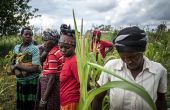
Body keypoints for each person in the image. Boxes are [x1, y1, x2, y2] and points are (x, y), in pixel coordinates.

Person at [92, 26, 167, 110]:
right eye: (123, 57)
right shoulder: (111, 67)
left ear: (142, 51)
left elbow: (160, 101)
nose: (128, 61)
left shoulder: (158, 71)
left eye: (133, 57)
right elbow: (98, 99)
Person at [10, 27, 40, 110]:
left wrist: (17, 66)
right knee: (21, 102)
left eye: (30, 35)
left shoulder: (34, 49)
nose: (28, 36)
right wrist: (16, 70)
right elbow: (12, 61)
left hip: (31, 81)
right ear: (21, 35)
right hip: (20, 80)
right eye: (26, 34)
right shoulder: (16, 47)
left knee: (30, 103)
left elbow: (35, 68)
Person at [34, 30, 63, 110]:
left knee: (50, 106)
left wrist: (43, 100)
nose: (44, 43)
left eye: (46, 40)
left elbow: (52, 79)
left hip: (51, 89)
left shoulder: (52, 54)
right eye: (44, 40)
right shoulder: (58, 50)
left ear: (53, 41)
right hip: (55, 86)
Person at [59, 29, 80, 110]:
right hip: (65, 101)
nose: (63, 50)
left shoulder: (74, 62)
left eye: (67, 47)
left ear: (74, 47)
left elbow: (82, 83)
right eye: (61, 47)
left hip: (71, 102)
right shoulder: (67, 58)